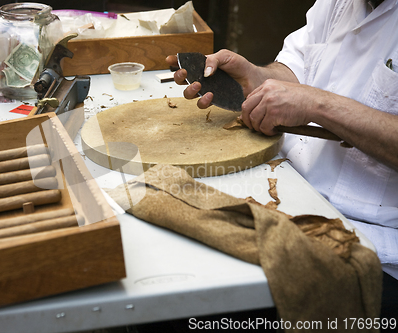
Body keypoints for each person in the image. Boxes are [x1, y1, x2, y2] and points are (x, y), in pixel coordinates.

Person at [167, 0, 398, 320]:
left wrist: (320, 105)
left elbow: (315, 99)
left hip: (374, 245)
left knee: (191, 306)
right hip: (289, 191)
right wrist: (255, 77)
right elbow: (299, 66)